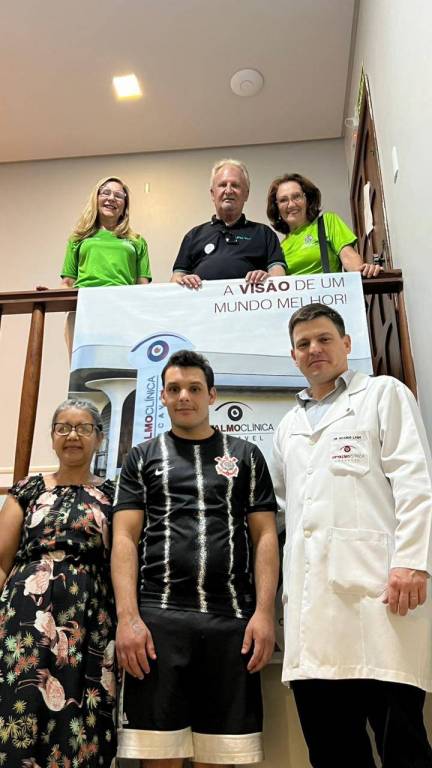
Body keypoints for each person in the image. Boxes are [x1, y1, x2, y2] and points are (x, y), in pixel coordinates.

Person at [272, 302, 432, 768]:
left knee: (403, 748)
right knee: (332, 753)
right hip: (311, 618)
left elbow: (415, 482)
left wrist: (412, 562)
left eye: (324, 339)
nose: (314, 349)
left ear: (346, 344)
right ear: (294, 356)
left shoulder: (383, 395)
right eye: (303, 344)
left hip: (381, 602)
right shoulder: (288, 426)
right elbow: (284, 510)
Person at [112, 349, 279, 767]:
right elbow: (125, 539)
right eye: (174, 389)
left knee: (220, 758)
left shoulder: (246, 456)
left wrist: (265, 614)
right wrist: (128, 619)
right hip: (157, 623)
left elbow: (264, 537)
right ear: (163, 398)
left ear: (212, 395)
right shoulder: (140, 458)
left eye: (194, 388)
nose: (184, 396)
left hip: (231, 621)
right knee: (159, 758)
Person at [0, 399, 117, 767]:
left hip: (89, 616)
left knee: (80, 710)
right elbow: (2, 561)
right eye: (63, 428)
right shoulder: (28, 490)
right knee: (21, 701)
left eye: (83, 428)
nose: (72, 436)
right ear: (52, 437)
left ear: (99, 438)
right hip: (24, 616)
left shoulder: (115, 495)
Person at [50, 175, 152, 356]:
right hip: (83, 310)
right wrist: (50, 294)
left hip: (123, 310)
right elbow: (67, 282)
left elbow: (142, 286)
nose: (111, 198)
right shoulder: (78, 238)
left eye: (118, 196)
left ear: (124, 206)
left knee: (121, 366)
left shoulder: (137, 241)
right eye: (105, 193)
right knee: (82, 369)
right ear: (96, 199)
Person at [170, 159, 287, 288]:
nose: (229, 190)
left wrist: (268, 278)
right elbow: (175, 279)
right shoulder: (193, 235)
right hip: (202, 300)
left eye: (235, 185)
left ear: (246, 194)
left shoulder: (264, 233)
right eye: (222, 185)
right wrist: (183, 280)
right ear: (212, 194)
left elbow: (279, 274)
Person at [266, 172, 381, 277]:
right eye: (283, 200)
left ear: (307, 199)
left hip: (330, 293)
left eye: (296, 196)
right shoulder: (279, 248)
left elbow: (348, 256)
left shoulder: (327, 222)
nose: (291, 205)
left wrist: (362, 271)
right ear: (277, 207)